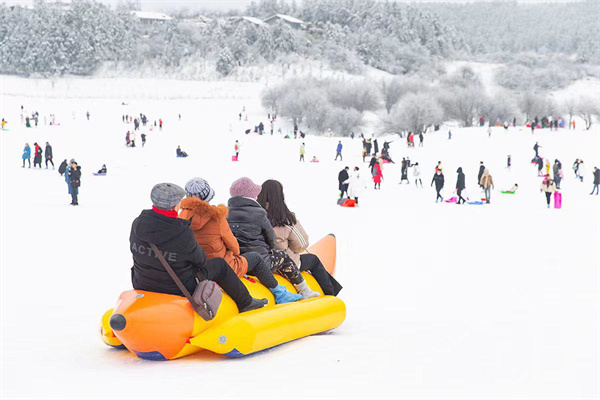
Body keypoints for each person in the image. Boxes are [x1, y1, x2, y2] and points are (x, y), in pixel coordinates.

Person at [130, 183, 267, 313]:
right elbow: (200, 261)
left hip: (142, 282)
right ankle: (246, 302)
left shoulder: (138, 223)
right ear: (175, 205)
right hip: (178, 287)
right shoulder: (181, 231)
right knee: (220, 265)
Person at [179, 178, 301, 304]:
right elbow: (234, 246)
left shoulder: (181, 216)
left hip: (198, 266)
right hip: (222, 266)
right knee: (256, 257)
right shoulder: (217, 217)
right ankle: (280, 293)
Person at [227, 177, 319, 299]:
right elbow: (271, 239)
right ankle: (304, 290)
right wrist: (269, 249)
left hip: (240, 262)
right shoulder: (260, 213)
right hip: (261, 263)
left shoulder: (226, 214)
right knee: (283, 257)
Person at [257, 180, 343, 296]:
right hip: (284, 264)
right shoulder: (285, 218)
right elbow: (302, 245)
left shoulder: (254, 214)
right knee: (313, 260)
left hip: (259, 262)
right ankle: (330, 294)